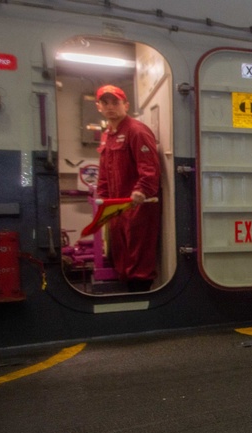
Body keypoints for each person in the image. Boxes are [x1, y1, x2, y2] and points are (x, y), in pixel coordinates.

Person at [95, 84, 161, 293]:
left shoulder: (136, 131)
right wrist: (103, 197)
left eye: (115, 102)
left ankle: (140, 295)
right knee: (121, 250)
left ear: (126, 105)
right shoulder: (108, 135)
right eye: (105, 102)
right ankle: (127, 293)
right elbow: (105, 170)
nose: (110, 107)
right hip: (116, 206)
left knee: (138, 253)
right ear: (98, 107)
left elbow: (149, 167)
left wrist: (142, 190)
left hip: (137, 204)